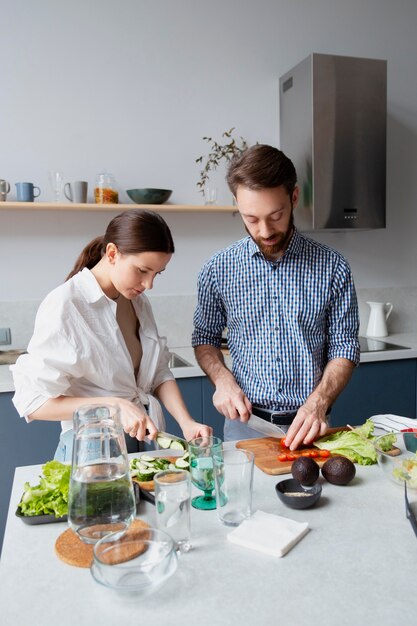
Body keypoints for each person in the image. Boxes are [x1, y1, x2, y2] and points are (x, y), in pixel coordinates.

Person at [192, 144, 360, 450]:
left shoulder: (333, 267)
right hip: (244, 426)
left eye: (276, 215)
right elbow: (205, 338)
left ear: (294, 197)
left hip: (311, 425)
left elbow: (345, 345)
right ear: (237, 204)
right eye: (251, 219)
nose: (265, 230)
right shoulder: (218, 270)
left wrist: (318, 402)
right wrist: (223, 381)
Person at [11, 209, 212, 461]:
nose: (149, 284)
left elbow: (158, 373)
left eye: (156, 274)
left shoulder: (137, 301)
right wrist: (114, 405)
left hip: (140, 442)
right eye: (142, 270)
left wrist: (187, 422)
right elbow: (35, 403)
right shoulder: (66, 305)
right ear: (113, 253)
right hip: (91, 451)